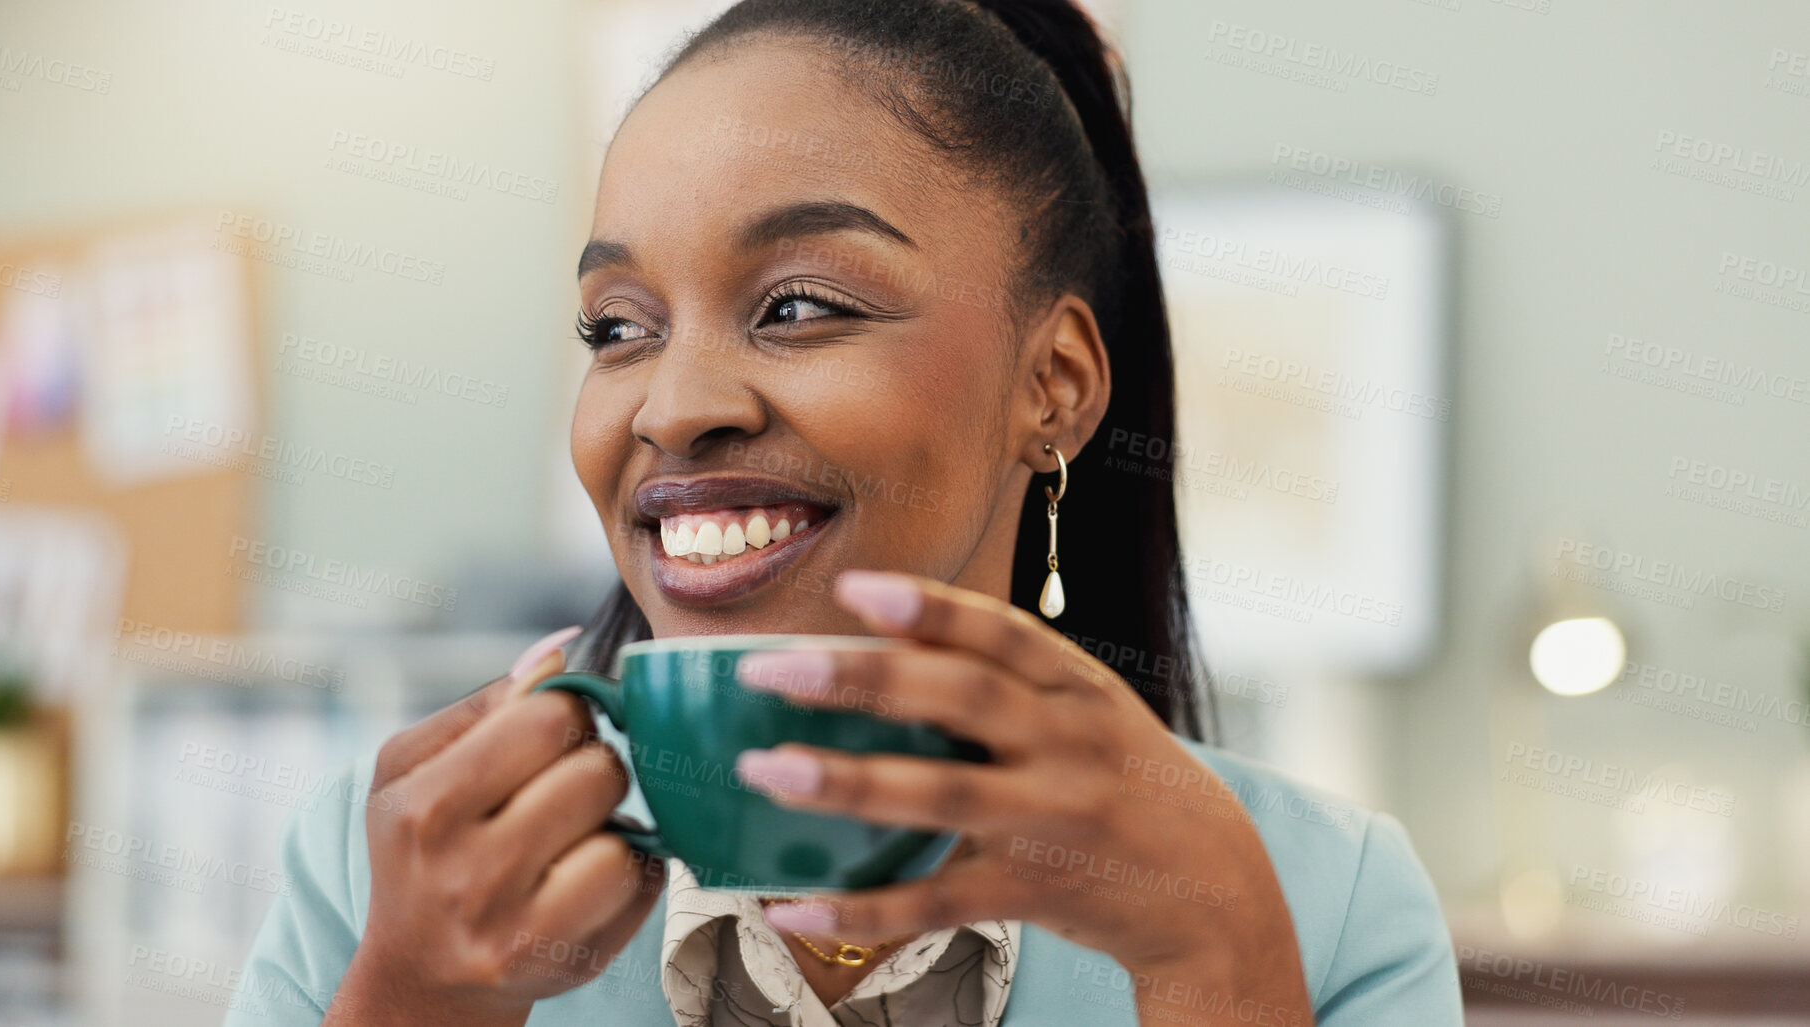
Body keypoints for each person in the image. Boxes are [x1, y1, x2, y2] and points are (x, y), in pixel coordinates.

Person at [227, 1, 1463, 1024]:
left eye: (801, 303)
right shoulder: (389, 876)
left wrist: (1218, 969)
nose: (673, 406)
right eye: (617, 327)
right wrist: (410, 1000)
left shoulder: (1326, 902)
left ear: (1058, 385)